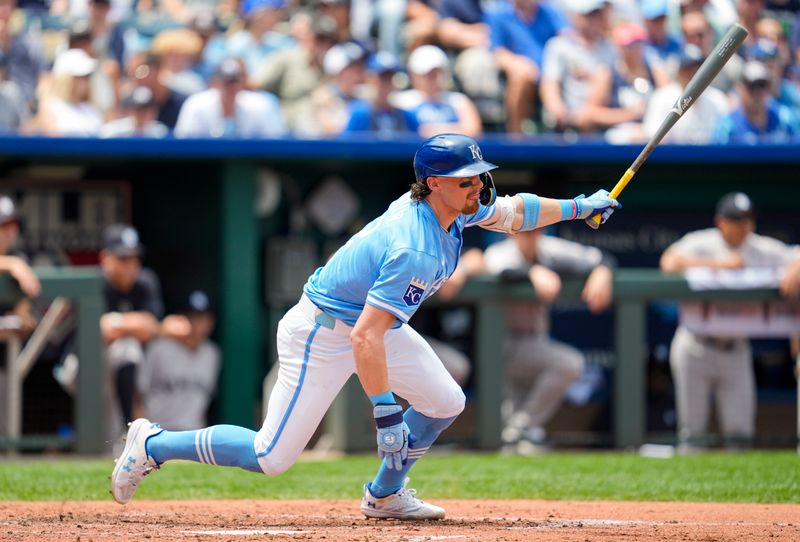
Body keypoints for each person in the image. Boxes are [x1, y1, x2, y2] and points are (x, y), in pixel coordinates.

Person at [111, 133, 620, 519]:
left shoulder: (451, 207)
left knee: (446, 401)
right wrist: (385, 413)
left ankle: (384, 495)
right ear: (436, 184)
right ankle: (153, 443)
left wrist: (580, 208)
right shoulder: (414, 244)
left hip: (372, 327)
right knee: (271, 456)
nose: (478, 186)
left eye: (478, 175)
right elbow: (364, 338)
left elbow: (513, 211)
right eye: (467, 178)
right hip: (323, 332)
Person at [660, 192, 800, 451]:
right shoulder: (702, 242)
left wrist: (796, 267)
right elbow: (668, 262)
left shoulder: (759, 247)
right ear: (721, 221)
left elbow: (796, 254)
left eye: (748, 220)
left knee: (740, 433)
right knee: (692, 432)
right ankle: (685, 492)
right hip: (695, 344)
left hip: (736, 348)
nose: (744, 226)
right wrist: (718, 265)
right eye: (737, 220)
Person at [100, 223, 165, 440]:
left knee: (129, 349)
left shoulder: (145, 282)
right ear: (105, 259)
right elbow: (101, 332)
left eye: (134, 258)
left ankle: (130, 432)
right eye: (123, 259)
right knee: (127, 347)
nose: (131, 265)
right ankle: (130, 432)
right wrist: (132, 325)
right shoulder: (96, 282)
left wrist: (116, 322)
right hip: (83, 366)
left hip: (123, 370)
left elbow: (151, 327)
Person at [137, 290, 220, 430]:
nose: (198, 323)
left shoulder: (212, 354)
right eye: (192, 316)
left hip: (192, 435)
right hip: (158, 432)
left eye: (203, 317)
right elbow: (137, 396)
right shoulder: (159, 348)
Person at [174, 58, 286, 138]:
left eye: (234, 81)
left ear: (242, 83)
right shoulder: (197, 104)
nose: (231, 87)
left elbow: (274, 140)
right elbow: (185, 142)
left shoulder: (260, 105)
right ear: (215, 83)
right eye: (226, 82)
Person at [643, 44, 728, 144]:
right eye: (688, 69)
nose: (694, 73)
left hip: (711, 157)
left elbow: (726, 136)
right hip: (673, 157)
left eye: (698, 68)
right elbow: (652, 136)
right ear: (679, 71)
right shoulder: (662, 97)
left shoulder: (717, 98)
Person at [713, 60, 799, 144]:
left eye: (762, 86)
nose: (758, 93)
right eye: (752, 87)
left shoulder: (783, 118)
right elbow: (716, 155)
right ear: (740, 89)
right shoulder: (728, 126)